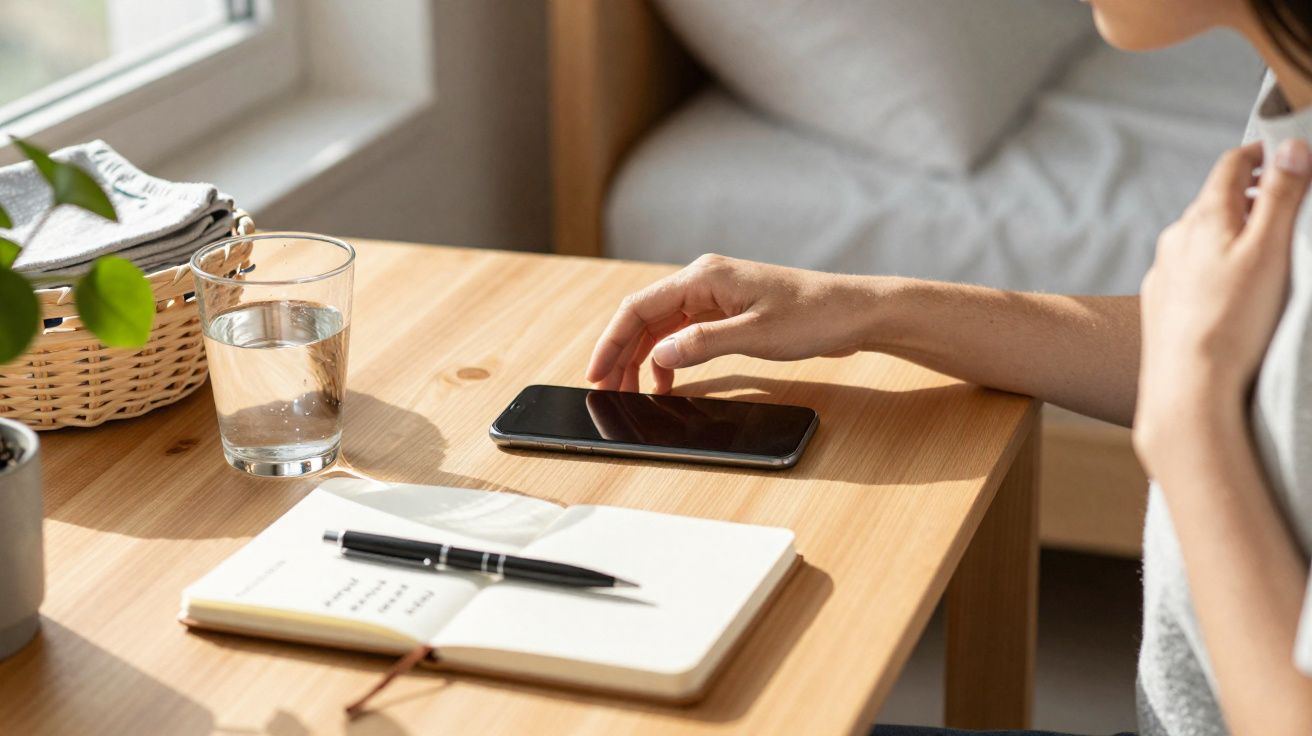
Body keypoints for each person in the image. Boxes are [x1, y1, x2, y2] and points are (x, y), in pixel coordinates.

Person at [585, 1, 1312, 734]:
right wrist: (863, 308)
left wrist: (1189, 425)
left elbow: (1212, 377)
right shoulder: (1291, 103)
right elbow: (1253, 362)